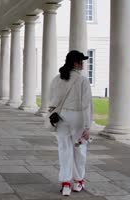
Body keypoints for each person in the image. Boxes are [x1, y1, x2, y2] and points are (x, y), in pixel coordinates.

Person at [48, 50, 92, 196]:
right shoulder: (82, 80)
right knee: (79, 149)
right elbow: (86, 104)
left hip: (61, 117)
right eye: (81, 61)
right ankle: (78, 180)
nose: (83, 64)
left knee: (64, 149)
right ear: (75, 63)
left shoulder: (56, 79)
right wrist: (88, 126)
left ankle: (66, 183)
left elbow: (51, 100)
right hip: (77, 118)